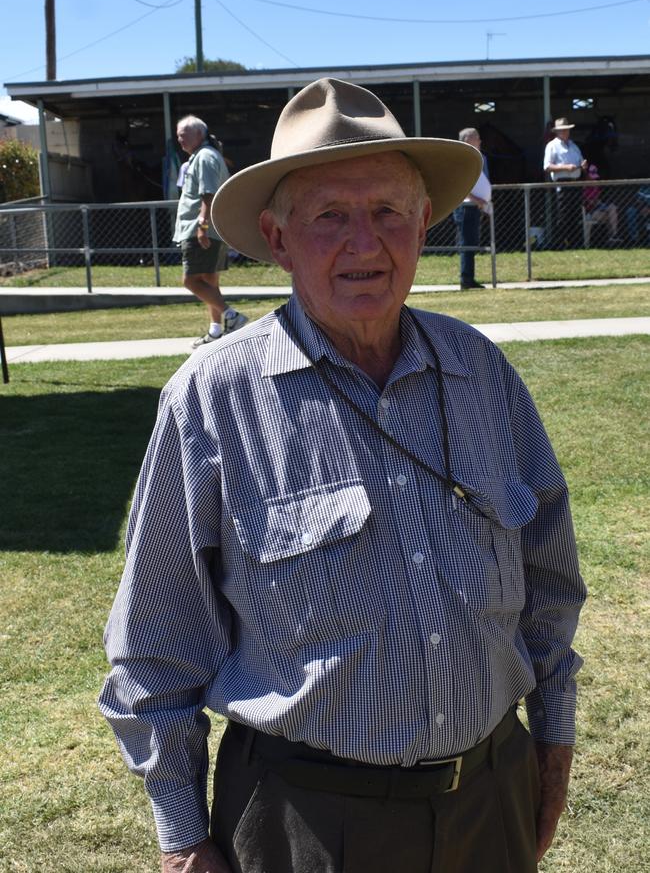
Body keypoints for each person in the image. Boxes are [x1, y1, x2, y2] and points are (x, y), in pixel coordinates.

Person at [100, 79, 586, 873]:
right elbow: (158, 644)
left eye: (390, 212)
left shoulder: (481, 371)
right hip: (308, 824)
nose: (367, 243)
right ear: (277, 237)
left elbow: (549, 580)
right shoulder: (213, 398)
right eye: (330, 216)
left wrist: (553, 745)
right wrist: (184, 840)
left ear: (424, 224)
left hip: (491, 797)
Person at [174, 115, 247, 347]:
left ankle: (232, 316)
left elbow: (208, 193)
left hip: (201, 228)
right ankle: (215, 331)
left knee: (190, 280)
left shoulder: (204, 157)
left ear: (199, 135)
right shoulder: (206, 156)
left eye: (183, 135)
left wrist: (202, 226)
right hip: (211, 229)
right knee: (209, 281)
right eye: (178, 136)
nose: (180, 140)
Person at [452, 127, 491, 289]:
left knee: (472, 242)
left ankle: (470, 277)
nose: (480, 141)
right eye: (476, 138)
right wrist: (477, 199)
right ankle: (466, 279)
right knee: (466, 243)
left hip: (476, 207)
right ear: (467, 140)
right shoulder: (461, 158)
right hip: (465, 207)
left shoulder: (481, 158)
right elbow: (460, 186)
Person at [543, 117, 587, 249]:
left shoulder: (574, 146)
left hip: (575, 183)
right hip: (562, 184)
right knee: (563, 215)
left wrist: (583, 165)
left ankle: (576, 244)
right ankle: (560, 244)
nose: (564, 132)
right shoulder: (552, 146)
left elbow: (580, 162)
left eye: (566, 130)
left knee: (576, 214)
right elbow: (547, 166)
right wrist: (565, 167)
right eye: (561, 130)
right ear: (557, 132)